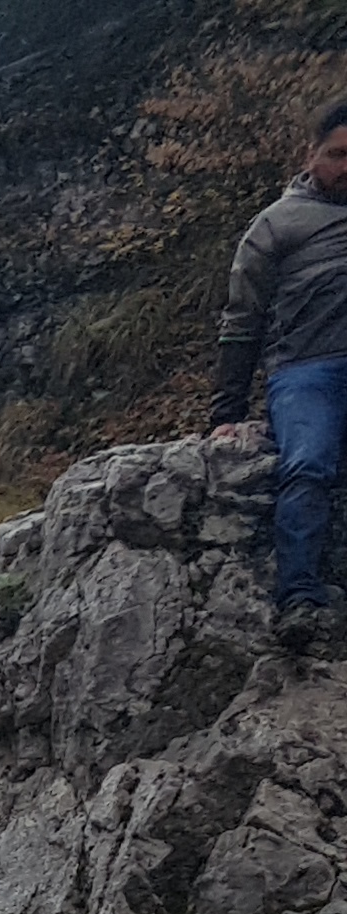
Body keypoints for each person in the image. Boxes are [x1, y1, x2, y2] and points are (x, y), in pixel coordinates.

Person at [214, 99, 347, 644]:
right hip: (305, 371)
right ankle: (299, 598)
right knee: (308, 465)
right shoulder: (277, 223)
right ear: (309, 156)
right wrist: (227, 411)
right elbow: (241, 320)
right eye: (338, 154)